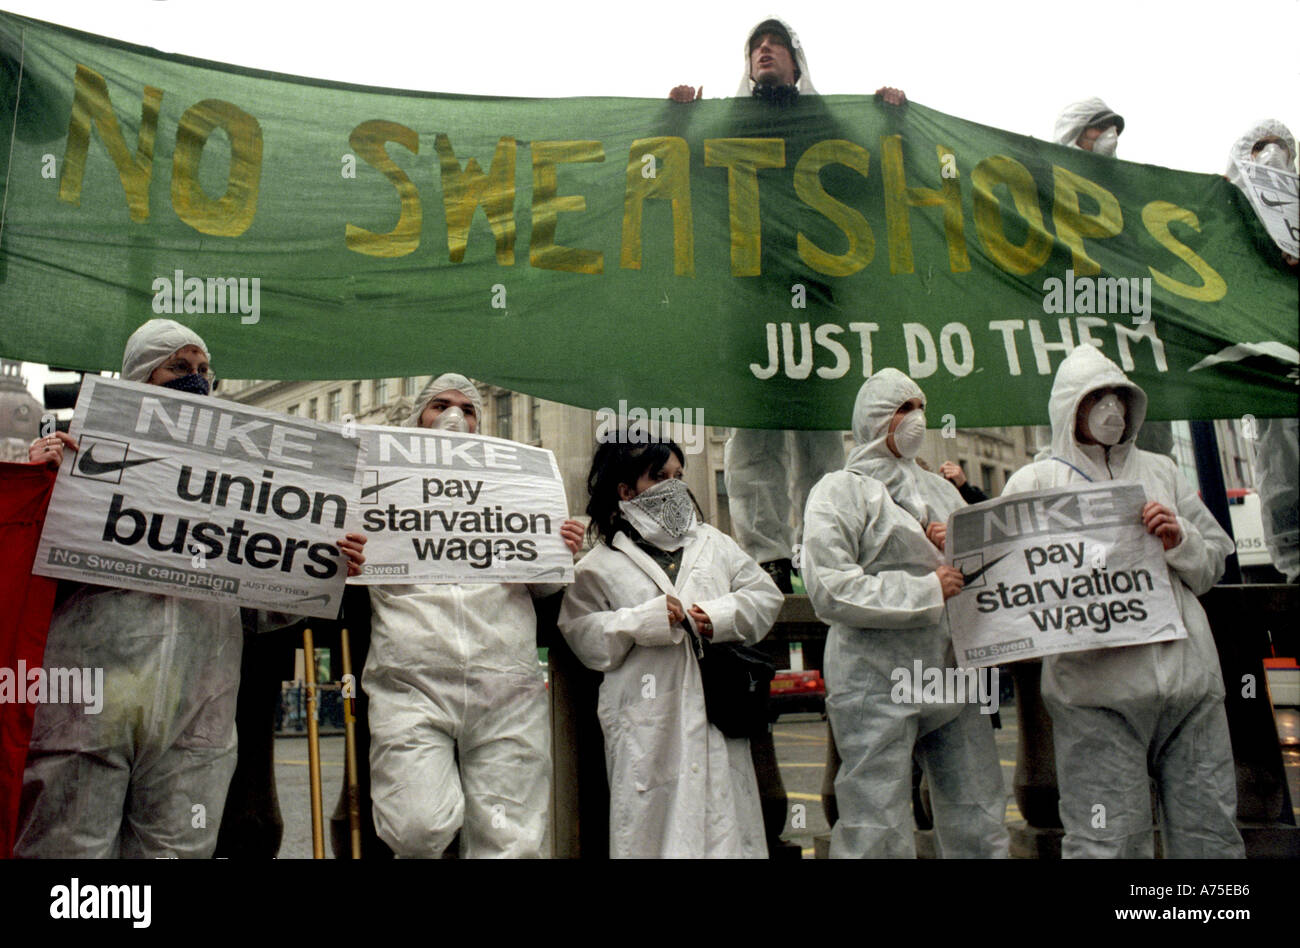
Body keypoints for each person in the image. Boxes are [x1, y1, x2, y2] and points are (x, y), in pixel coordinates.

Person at [16, 318, 366, 858]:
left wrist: (323, 564)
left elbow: (261, 609)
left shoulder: (237, 481)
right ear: (137, 376)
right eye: (179, 367)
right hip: (87, 709)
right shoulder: (79, 456)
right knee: (68, 856)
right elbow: (26, 576)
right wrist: (39, 487)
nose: (196, 380)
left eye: (204, 371)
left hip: (195, 714)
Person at [668, 18, 903, 591]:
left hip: (818, 307)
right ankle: (768, 555)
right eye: (755, 46)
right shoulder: (725, 127)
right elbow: (683, 173)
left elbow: (873, 175)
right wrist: (676, 122)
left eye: (775, 44)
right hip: (751, 305)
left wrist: (893, 122)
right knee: (755, 435)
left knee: (820, 435)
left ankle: (824, 545)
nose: (764, 51)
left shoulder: (826, 126)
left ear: (797, 62)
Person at [1001, 344, 1244, 858]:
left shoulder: (1161, 471)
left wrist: (1180, 541)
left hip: (1190, 686)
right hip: (1095, 695)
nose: (1112, 408)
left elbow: (1213, 561)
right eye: (1096, 397)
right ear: (1070, 408)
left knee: (1211, 833)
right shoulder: (1034, 483)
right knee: (1107, 840)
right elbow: (1001, 584)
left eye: (1118, 396)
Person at [362, 373, 584, 858]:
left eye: (467, 408)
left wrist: (561, 551)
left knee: (511, 839)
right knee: (415, 827)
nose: (454, 417)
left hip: (505, 682)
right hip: (411, 682)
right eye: (440, 405)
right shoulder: (377, 485)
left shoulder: (516, 485)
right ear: (418, 417)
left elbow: (544, 584)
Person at [800, 368, 1008, 858]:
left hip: (952, 668)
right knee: (876, 817)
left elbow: (988, 573)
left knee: (978, 807)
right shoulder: (838, 491)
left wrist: (955, 547)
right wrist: (925, 589)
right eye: (903, 409)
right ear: (876, 420)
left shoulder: (941, 491)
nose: (918, 418)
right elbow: (829, 587)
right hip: (875, 673)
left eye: (920, 407)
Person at [558, 435, 782, 857]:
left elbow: (764, 597)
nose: (675, 486)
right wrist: (638, 624)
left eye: (679, 476)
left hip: (716, 713)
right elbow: (582, 633)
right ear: (626, 491)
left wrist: (717, 616)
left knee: (724, 829)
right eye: (659, 476)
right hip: (647, 723)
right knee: (652, 832)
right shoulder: (599, 563)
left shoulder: (713, 543)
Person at [1224, 119, 1299, 581]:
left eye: (1279, 148)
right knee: (1282, 458)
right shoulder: (1229, 224)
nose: (1272, 156)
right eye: (1260, 150)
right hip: (1273, 368)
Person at [1054, 97, 1124, 155]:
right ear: (1075, 132)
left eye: (1115, 131)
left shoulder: (1113, 171)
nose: (1113, 136)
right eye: (1101, 127)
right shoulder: (1047, 168)